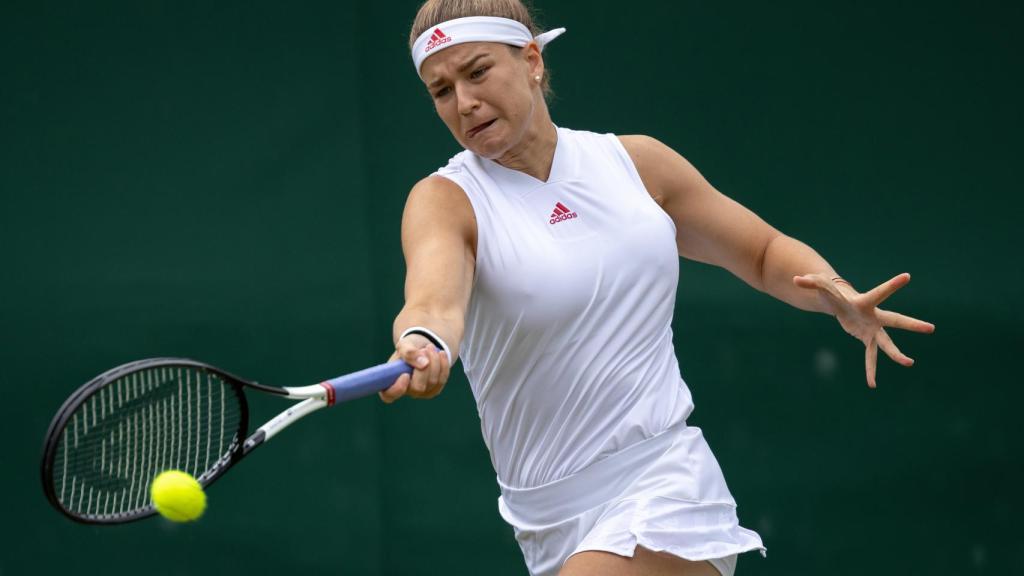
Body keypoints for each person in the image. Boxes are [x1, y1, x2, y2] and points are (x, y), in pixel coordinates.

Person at [380, 1, 935, 575]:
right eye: (440, 90)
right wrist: (424, 340)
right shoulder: (445, 200)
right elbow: (431, 304)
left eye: (476, 72)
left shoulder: (638, 164)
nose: (463, 102)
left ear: (532, 60)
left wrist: (836, 292)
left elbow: (763, 253)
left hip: (664, 485)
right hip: (545, 522)